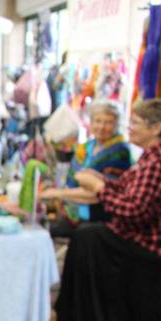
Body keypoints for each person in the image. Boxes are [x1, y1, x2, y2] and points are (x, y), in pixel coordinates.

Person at [52, 98, 161, 321]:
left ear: (155, 128)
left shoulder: (158, 161)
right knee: (88, 237)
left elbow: (132, 211)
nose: (129, 127)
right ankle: (76, 320)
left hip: (154, 244)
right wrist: (101, 183)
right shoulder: (157, 155)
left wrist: (99, 187)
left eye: (135, 123)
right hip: (149, 236)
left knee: (86, 240)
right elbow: (128, 191)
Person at [40, 100, 132, 235]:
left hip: (98, 214)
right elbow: (71, 180)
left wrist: (58, 194)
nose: (101, 127)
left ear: (117, 125)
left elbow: (100, 192)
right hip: (74, 208)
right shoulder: (86, 147)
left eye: (108, 122)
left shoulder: (119, 151)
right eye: (97, 121)